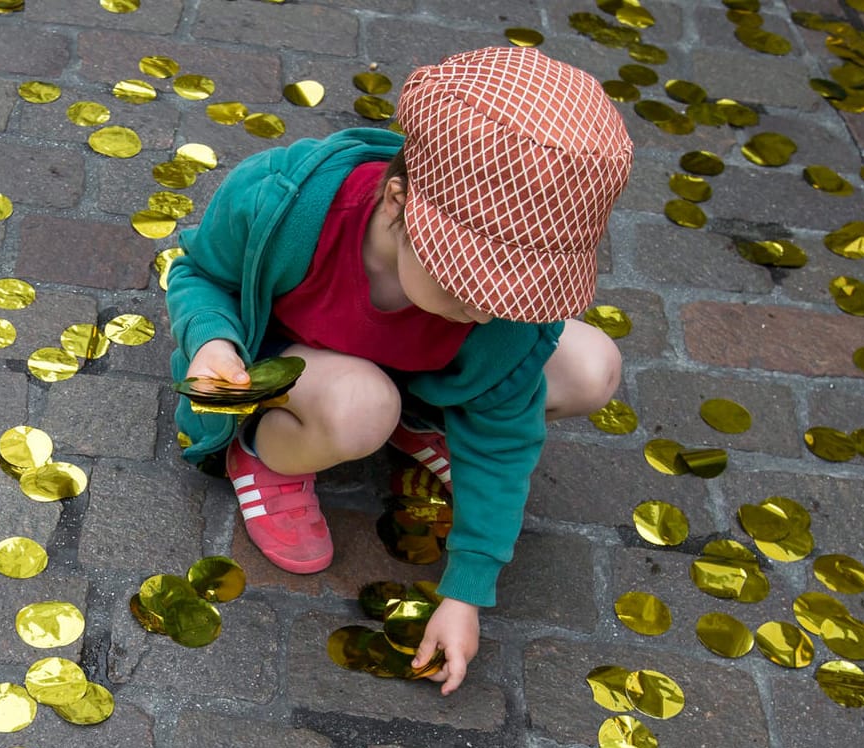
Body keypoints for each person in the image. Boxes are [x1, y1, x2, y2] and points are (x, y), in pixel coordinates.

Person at [165, 47, 632, 695]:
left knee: (591, 366)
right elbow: (200, 274)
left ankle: (419, 422)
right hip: (303, 369)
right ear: (395, 202)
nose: (489, 309)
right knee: (363, 403)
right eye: (467, 282)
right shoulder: (281, 201)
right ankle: (268, 453)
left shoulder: (499, 313)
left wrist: (467, 590)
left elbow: (504, 442)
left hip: (412, 376)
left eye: (517, 290)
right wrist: (214, 344)